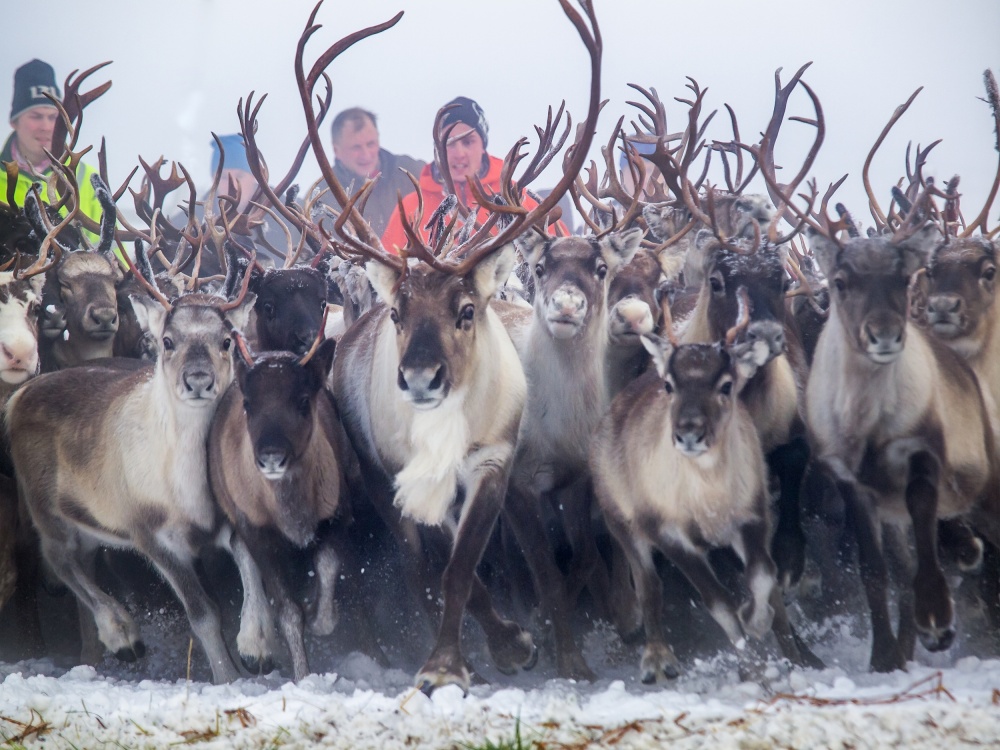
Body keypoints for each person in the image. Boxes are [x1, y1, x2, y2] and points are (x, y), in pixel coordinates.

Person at [381, 96, 566, 252]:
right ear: (438, 148)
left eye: (468, 142)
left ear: (482, 147)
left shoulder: (516, 198)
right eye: (450, 143)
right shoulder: (413, 207)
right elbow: (388, 269)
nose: (459, 153)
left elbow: (565, 251)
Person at [0, 59, 103, 235]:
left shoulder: (87, 179)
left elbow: (114, 253)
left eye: (53, 116)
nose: (46, 127)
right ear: (14, 121)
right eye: (36, 116)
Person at [326, 107, 424, 237]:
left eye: (370, 144)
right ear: (336, 150)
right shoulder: (323, 199)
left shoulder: (411, 171)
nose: (366, 155)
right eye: (356, 147)